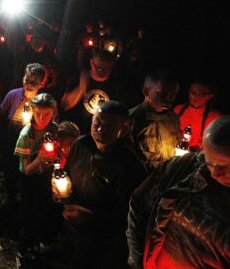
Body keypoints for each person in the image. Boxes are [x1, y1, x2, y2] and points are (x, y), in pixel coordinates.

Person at [127, 116, 230, 268]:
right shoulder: (184, 168)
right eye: (210, 162)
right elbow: (140, 203)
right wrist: (138, 261)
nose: (215, 174)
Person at [62, 101, 147, 268]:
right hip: (76, 228)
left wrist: (92, 216)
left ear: (123, 129)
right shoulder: (81, 144)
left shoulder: (130, 166)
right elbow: (67, 175)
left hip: (107, 241)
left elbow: (130, 215)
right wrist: (61, 192)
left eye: (109, 126)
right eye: (97, 123)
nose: (100, 129)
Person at [13, 93, 60, 257]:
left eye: (46, 114)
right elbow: (26, 170)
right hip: (30, 180)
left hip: (46, 177)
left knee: (45, 209)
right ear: (32, 111)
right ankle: (24, 249)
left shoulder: (54, 129)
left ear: (52, 112)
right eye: (38, 113)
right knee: (29, 212)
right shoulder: (26, 135)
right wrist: (40, 158)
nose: (42, 118)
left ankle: (43, 241)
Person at [0, 62, 47, 208]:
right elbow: (1, 114)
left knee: (28, 176)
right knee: (10, 171)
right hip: (12, 141)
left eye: (34, 82)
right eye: (27, 80)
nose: (29, 84)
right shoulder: (13, 95)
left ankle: (28, 202)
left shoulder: (44, 101)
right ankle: (11, 197)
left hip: (33, 145)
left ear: (42, 83)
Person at [61, 49, 121, 134]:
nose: (102, 72)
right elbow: (64, 105)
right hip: (77, 131)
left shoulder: (114, 85)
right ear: (91, 63)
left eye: (107, 69)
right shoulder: (78, 78)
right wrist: (81, 88)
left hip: (100, 133)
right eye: (99, 68)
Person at [129, 69, 181, 169]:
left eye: (173, 94)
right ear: (146, 91)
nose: (169, 99)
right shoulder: (131, 120)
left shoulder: (173, 119)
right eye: (163, 93)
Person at [173, 78, 222, 151]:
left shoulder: (215, 118)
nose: (194, 95)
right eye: (192, 91)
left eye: (200, 93)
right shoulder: (177, 110)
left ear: (210, 96)